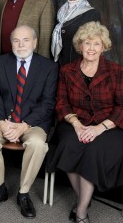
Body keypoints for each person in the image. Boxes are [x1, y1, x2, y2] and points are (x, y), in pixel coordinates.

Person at [0, 25, 58, 219]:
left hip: (32, 122)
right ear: (11, 43)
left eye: (25, 40)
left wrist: (25, 125)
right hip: (2, 120)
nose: (21, 44)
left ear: (35, 43)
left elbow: (48, 103)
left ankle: (24, 193)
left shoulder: (49, 67)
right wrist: (1, 123)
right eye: (16, 40)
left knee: (38, 144)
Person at [49, 21, 123, 223]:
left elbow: (122, 107)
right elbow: (61, 103)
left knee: (92, 151)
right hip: (75, 122)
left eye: (96, 44)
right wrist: (76, 124)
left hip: (109, 125)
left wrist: (99, 128)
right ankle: (86, 198)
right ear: (80, 46)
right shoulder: (67, 70)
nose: (91, 48)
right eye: (87, 43)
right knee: (68, 146)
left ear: (104, 46)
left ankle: (81, 210)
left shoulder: (116, 71)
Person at [51, 0, 101, 65]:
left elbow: (94, 47)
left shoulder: (92, 14)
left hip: (79, 68)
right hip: (59, 66)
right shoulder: (60, 13)